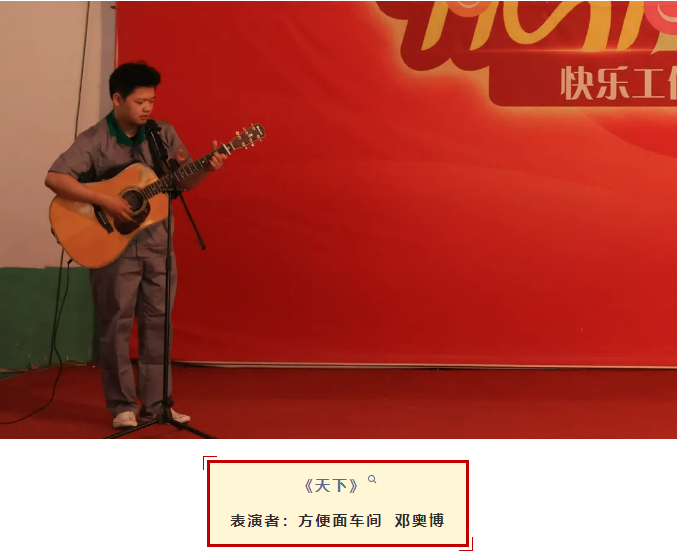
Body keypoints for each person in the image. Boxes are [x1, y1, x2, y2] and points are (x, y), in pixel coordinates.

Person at [45, 62, 227, 429]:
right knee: (116, 326)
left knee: (159, 325)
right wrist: (107, 201)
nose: (147, 108)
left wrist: (207, 167)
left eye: (152, 101)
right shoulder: (95, 139)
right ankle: (122, 406)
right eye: (139, 101)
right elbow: (55, 178)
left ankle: (158, 406)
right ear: (117, 99)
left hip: (158, 245)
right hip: (112, 247)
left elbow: (181, 182)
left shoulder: (162, 134)